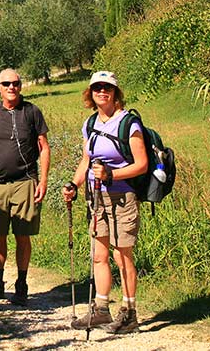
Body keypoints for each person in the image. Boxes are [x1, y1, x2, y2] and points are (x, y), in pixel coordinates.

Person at [62, 71, 147, 334]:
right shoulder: (89, 124)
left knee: (122, 257)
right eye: (97, 87)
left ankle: (129, 312)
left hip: (122, 198)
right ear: (90, 93)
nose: (102, 91)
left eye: (107, 87)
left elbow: (141, 165)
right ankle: (101, 309)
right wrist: (73, 185)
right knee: (99, 256)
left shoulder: (128, 123)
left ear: (115, 92)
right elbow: (87, 161)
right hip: (95, 197)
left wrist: (112, 174)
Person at [0, 69, 50, 306]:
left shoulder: (32, 112)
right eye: (6, 83)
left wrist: (43, 181)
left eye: (15, 83)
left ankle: (22, 284)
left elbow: (44, 148)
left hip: (25, 182)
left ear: (21, 85)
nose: (11, 87)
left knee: (23, 235)